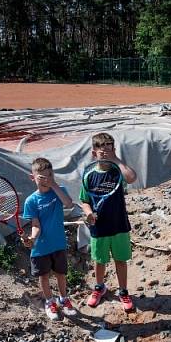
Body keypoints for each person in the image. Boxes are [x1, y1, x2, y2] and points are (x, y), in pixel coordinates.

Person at [79, 133, 138, 312]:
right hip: (99, 227)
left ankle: (123, 291)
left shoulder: (118, 172)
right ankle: (99, 288)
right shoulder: (89, 175)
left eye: (109, 148)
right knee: (99, 261)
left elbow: (132, 178)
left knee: (121, 260)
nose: (104, 152)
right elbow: (84, 200)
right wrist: (88, 213)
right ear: (93, 153)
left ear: (114, 149)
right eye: (100, 149)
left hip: (119, 225)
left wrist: (116, 159)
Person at [21, 158, 77, 321]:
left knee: (61, 274)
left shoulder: (59, 190)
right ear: (33, 178)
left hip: (58, 243)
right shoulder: (31, 201)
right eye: (42, 177)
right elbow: (36, 225)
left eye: (50, 175)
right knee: (44, 276)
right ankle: (50, 302)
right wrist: (32, 237)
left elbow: (68, 203)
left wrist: (53, 185)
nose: (46, 180)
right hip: (41, 247)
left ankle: (64, 299)